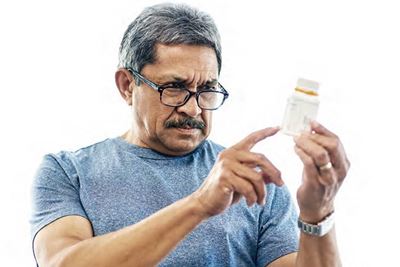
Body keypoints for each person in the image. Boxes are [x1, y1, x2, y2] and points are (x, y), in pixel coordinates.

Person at [30, 3, 350, 267]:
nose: (194, 110)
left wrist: (318, 213)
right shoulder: (68, 172)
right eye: (175, 88)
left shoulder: (254, 182)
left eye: (207, 90)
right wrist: (199, 204)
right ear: (127, 85)